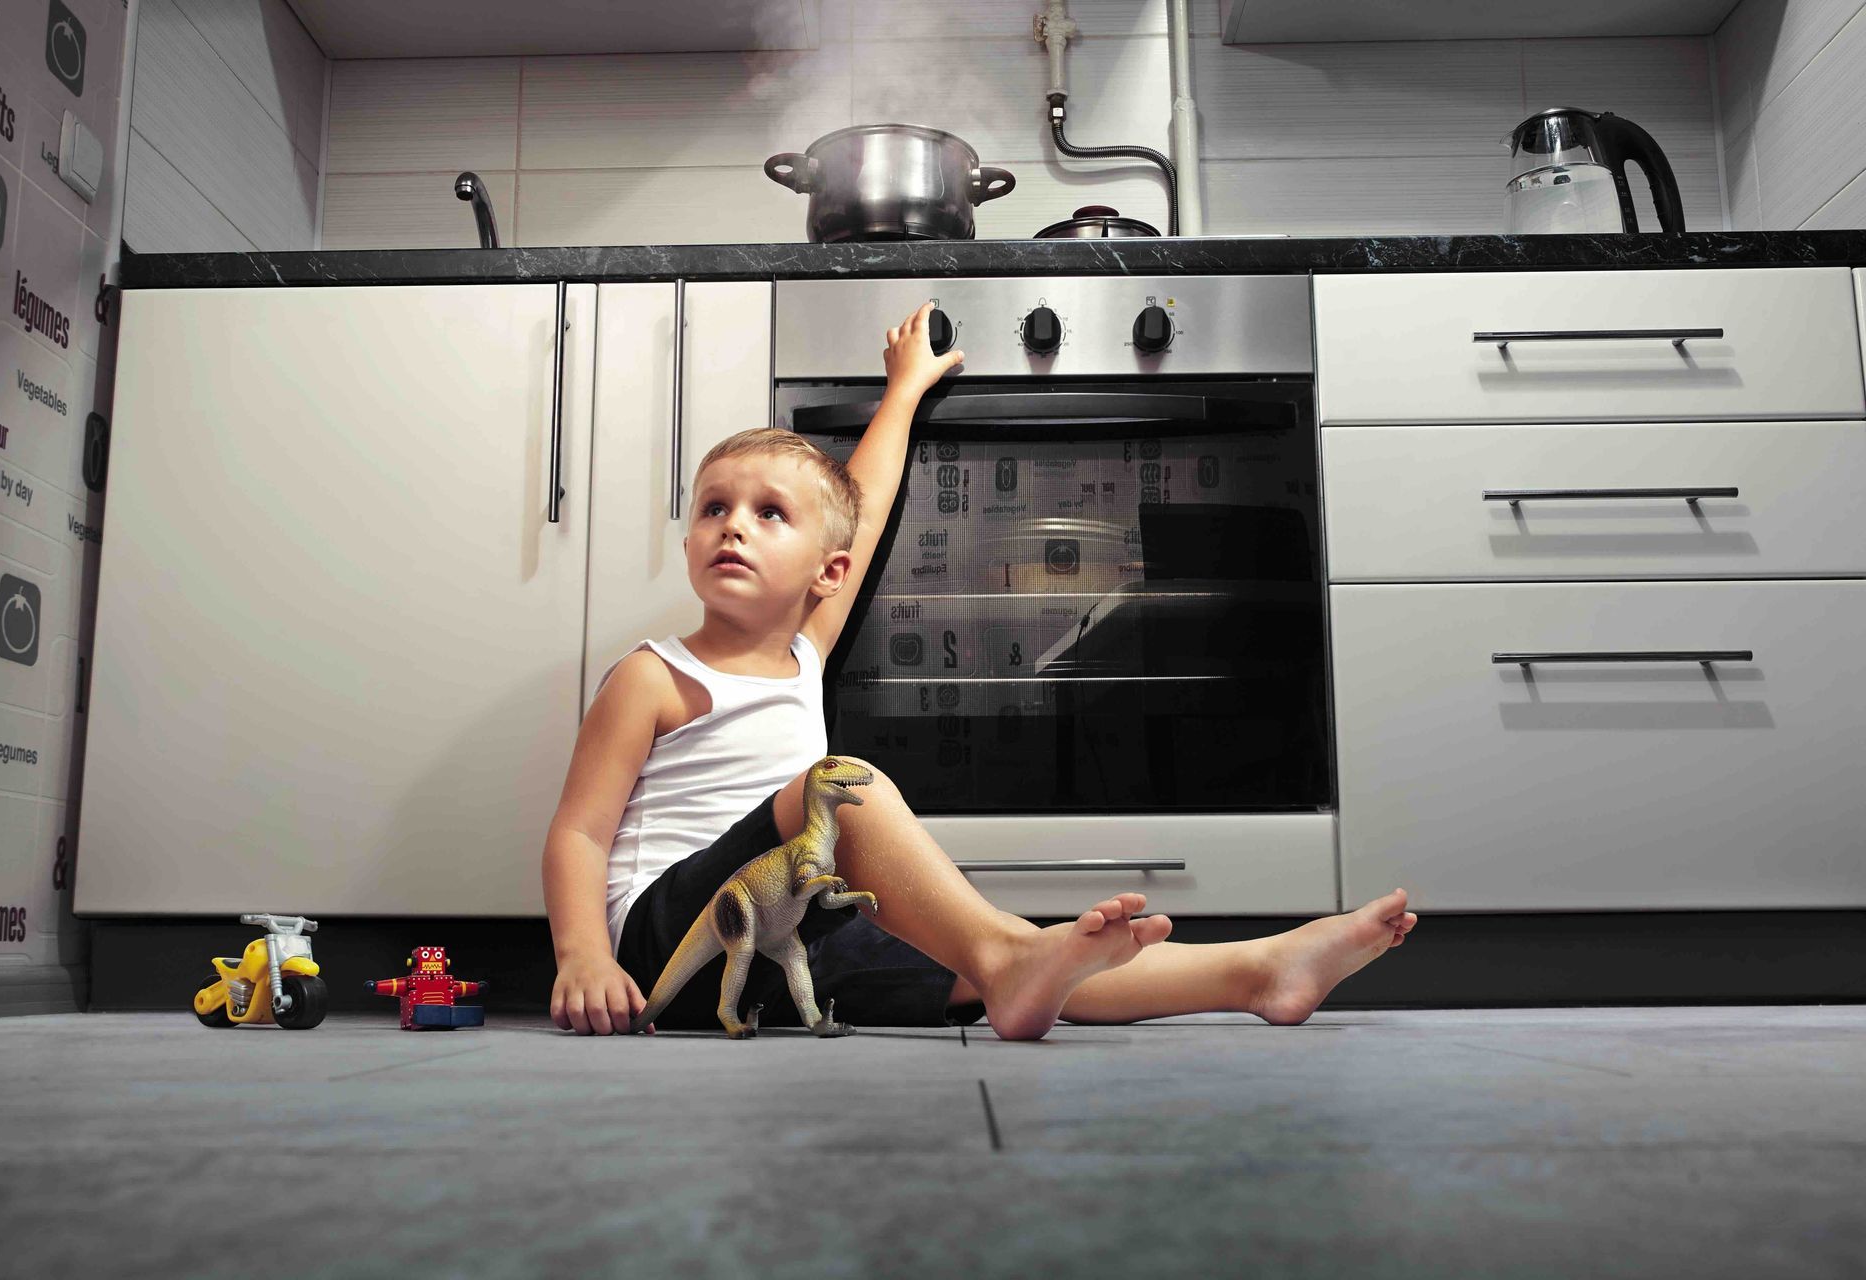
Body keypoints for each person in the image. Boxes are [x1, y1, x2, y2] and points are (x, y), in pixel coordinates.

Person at [543, 301, 1417, 1040]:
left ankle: (1256, 972)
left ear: (826, 571)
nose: (732, 525)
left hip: (779, 948)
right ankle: (1010, 963)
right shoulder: (654, 677)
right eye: (713, 509)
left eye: (769, 513)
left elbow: (868, 508)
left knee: (1009, 955)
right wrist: (583, 954)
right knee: (834, 789)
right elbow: (579, 835)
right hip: (663, 945)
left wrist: (903, 393)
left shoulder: (804, 652)